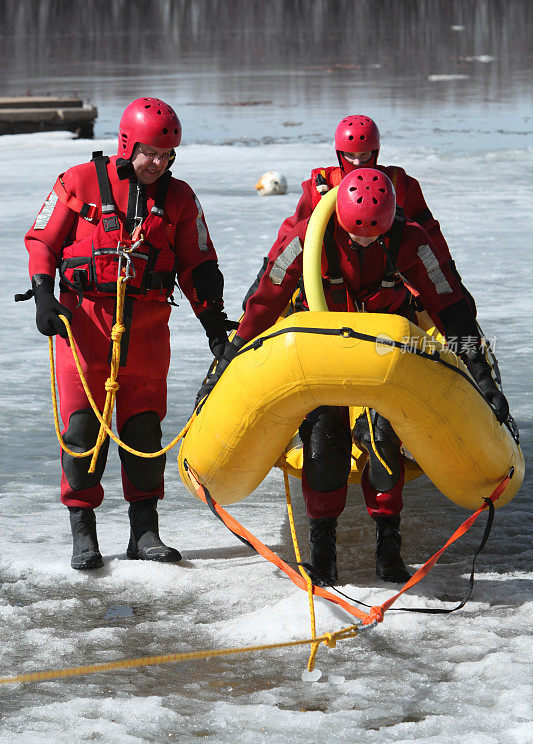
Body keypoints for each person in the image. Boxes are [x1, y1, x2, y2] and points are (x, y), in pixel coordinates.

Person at [198, 168, 508, 587]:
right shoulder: (307, 237)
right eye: (356, 235)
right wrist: (227, 361)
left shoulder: (411, 240)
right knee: (325, 441)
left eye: (372, 236)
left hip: (386, 354)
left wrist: (484, 381)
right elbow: (264, 301)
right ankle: (322, 550)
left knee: (383, 440)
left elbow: (451, 308)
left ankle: (388, 545)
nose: (364, 241)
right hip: (323, 348)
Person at [23, 97, 229, 570]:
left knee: (143, 432)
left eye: (167, 155)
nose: (159, 164)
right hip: (84, 330)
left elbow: (199, 266)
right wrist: (42, 294)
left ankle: (145, 533)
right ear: (127, 143)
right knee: (81, 433)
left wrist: (215, 327)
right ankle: (84, 534)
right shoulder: (76, 182)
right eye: (151, 153)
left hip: (149, 332)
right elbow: (41, 239)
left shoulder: (179, 199)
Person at [242, 114, 476, 315]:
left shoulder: (400, 186)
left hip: (386, 296)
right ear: (338, 153)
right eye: (349, 155)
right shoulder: (319, 188)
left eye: (365, 156)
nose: (357, 162)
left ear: (376, 152)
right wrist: (262, 280)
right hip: (328, 295)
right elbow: (290, 236)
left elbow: (429, 236)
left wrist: (454, 281)